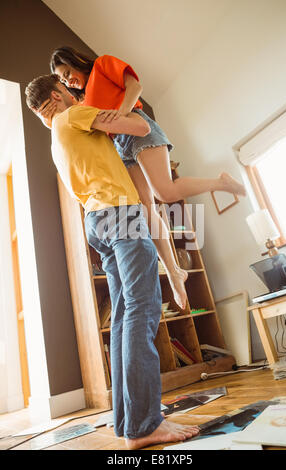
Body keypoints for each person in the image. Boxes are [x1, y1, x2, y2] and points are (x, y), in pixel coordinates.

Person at [25, 74, 200, 449]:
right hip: (120, 214)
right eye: (69, 90)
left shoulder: (55, 138)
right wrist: (111, 110)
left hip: (96, 221)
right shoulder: (73, 116)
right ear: (59, 95)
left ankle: (128, 422)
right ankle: (144, 424)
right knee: (143, 310)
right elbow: (138, 124)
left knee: (123, 317)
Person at [38, 47, 246, 311]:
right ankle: (173, 271)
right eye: (63, 80)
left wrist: (122, 112)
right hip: (120, 146)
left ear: (76, 62)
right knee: (146, 210)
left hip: (137, 127)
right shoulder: (82, 103)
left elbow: (134, 86)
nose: (68, 80)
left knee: (165, 193)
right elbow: (74, 124)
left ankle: (222, 183)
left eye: (68, 73)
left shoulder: (102, 66)